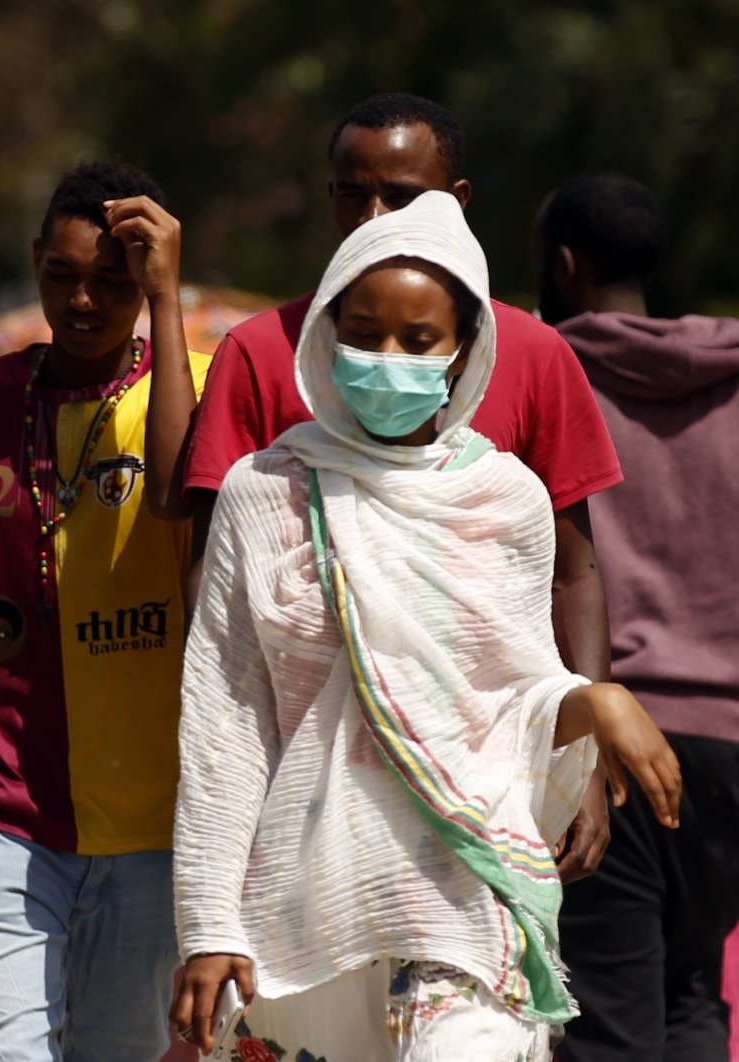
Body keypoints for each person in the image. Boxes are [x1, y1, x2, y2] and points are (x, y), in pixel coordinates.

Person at [169, 191, 681, 1061]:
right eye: (363, 334)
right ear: (325, 336)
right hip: (307, 911)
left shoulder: (506, 500)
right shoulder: (268, 492)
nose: (386, 358)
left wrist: (594, 701)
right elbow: (228, 720)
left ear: (465, 352)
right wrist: (207, 922)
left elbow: (507, 702)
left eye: (418, 341)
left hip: (464, 895)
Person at [145, 92, 622, 880]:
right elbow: (213, 575)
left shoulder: (533, 355)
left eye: (401, 196)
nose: (372, 215)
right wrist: (241, 757)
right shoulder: (263, 353)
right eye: (350, 191)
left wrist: (582, 757)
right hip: (307, 786)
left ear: (456, 203)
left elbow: (575, 575)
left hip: (480, 776)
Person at [0, 160, 209, 1060]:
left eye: (113, 282)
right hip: (0, 808)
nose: (83, 302)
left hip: (155, 822)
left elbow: (170, 492)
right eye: (63, 277)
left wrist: (164, 306)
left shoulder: (198, 386)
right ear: (36, 261)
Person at [533, 171, 739, 1062]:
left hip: (614, 740)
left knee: (605, 1021)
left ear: (566, 265)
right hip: (732, 749)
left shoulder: (548, 377)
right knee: (694, 995)